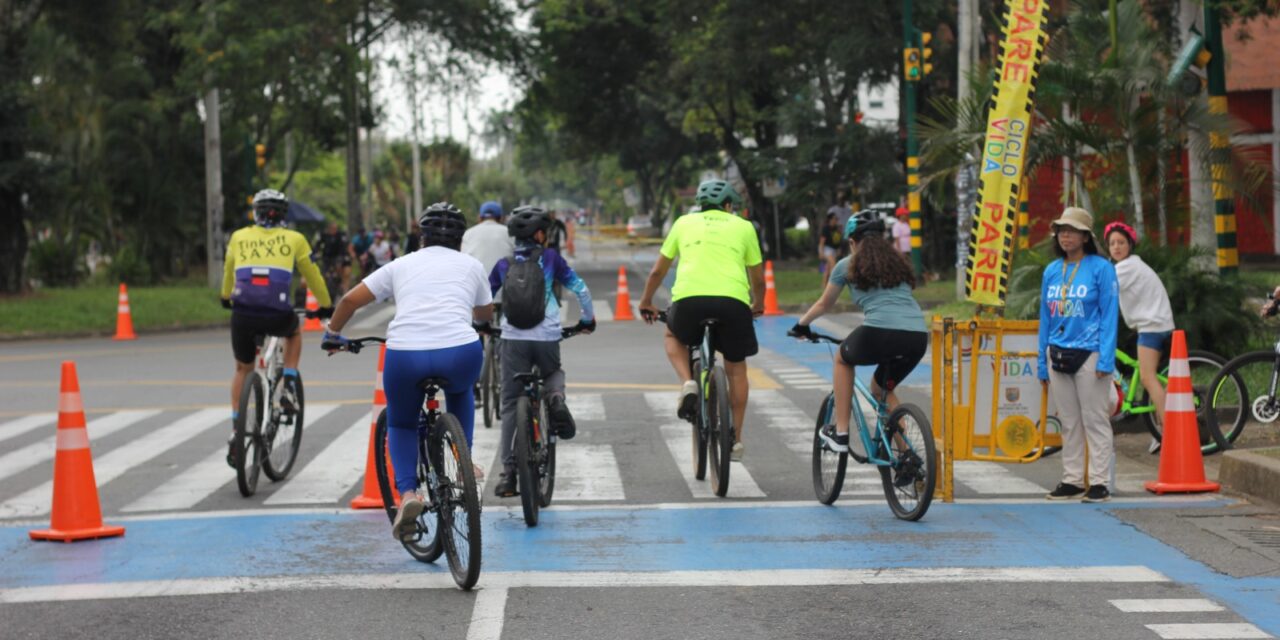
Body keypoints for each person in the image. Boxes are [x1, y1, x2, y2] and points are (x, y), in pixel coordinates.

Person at [321, 202, 493, 541]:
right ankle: (463, 462)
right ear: (461, 238)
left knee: (400, 421)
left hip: (406, 356)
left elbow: (350, 301)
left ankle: (409, 495)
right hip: (460, 352)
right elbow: (485, 313)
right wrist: (477, 320)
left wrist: (333, 334)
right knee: (459, 392)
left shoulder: (401, 265)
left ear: (421, 237)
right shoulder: (472, 266)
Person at [788, 211, 928, 473]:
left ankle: (840, 434)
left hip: (880, 332)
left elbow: (824, 303)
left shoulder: (847, 265)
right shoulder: (898, 263)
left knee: (842, 358)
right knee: (882, 389)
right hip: (917, 337)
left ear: (853, 242)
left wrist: (801, 326)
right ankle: (907, 454)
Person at [637, 179, 765, 461]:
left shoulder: (683, 223)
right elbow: (757, 276)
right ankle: (736, 438)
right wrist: (759, 304)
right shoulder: (744, 227)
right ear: (729, 205)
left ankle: (687, 383)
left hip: (689, 302)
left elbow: (658, 271)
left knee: (673, 335)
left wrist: (646, 301)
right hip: (733, 303)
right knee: (736, 369)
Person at [486, 206, 596, 498]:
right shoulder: (551, 259)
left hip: (512, 339)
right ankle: (556, 398)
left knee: (510, 404)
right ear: (538, 235)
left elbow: (484, 296)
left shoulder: (504, 264)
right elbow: (581, 290)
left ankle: (508, 475)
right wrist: (587, 320)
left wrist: (482, 324)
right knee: (552, 373)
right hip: (546, 337)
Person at [220, 189, 332, 464]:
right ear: (284, 215)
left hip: (243, 312)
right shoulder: (294, 238)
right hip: (277, 313)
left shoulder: (239, 236)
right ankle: (289, 382)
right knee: (293, 331)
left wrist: (226, 298)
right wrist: (326, 304)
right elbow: (312, 275)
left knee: (242, 370)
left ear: (255, 213)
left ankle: (237, 431)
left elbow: (228, 271)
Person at [1037, 207, 1119, 504]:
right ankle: (1072, 480)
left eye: (1071, 230)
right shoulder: (1051, 271)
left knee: (1095, 420)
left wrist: (1106, 359)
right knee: (1069, 421)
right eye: (1061, 230)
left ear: (1086, 236)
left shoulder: (1101, 268)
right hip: (1057, 353)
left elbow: (1110, 316)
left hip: (1091, 354)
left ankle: (1099, 482)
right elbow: (1045, 318)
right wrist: (1041, 361)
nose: (1065, 235)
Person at [1105, 221, 1175, 433]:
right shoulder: (1132, 265)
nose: (1116, 247)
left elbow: (1104, 291)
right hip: (1155, 324)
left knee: (1147, 377)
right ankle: (1159, 425)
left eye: (1121, 243)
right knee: (1149, 375)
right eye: (1112, 243)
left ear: (1130, 246)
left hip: (1152, 326)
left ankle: (1169, 430)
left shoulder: (1126, 267)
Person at [461, 201, 515, 279]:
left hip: (475, 285)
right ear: (501, 218)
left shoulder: (468, 234)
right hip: (504, 286)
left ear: (479, 218)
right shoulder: (509, 232)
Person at [314, 221, 354, 296]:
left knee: (340, 266)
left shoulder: (341, 235)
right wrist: (316, 253)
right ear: (329, 229)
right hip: (327, 257)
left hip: (339, 256)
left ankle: (340, 281)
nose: (334, 230)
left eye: (335, 228)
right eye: (332, 229)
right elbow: (317, 245)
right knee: (324, 272)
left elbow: (345, 245)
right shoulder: (324, 235)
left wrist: (348, 254)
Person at [817, 212, 842, 286]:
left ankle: (824, 285)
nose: (836, 220)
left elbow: (838, 241)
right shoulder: (826, 228)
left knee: (827, 269)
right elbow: (822, 242)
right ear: (830, 220)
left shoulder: (837, 229)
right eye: (835, 219)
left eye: (837, 219)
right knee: (833, 265)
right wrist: (820, 253)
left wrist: (838, 249)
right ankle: (833, 285)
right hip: (826, 249)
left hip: (833, 250)